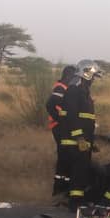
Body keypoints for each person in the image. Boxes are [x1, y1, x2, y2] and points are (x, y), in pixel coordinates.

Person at [58, 60, 102, 212]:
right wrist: (80, 138)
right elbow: (71, 116)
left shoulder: (82, 91)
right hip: (74, 141)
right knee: (78, 172)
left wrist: (91, 140)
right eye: (94, 76)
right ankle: (75, 203)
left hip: (82, 140)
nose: (94, 80)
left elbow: (86, 119)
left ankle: (76, 200)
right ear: (87, 73)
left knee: (81, 171)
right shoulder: (75, 90)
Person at [46, 65, 77, 196]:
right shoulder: (60, 87)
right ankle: (59, 189)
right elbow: (50, 104)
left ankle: (63, 187)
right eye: (74, 77)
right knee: (64, 156)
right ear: (68, 76)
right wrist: (60, 119)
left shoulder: (66, 87)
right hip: (59, 127)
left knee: (66, 156)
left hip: (61, 126)